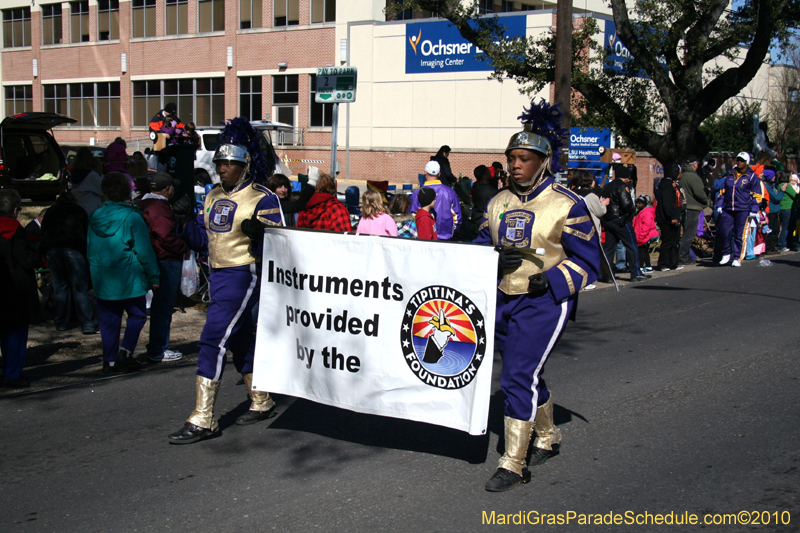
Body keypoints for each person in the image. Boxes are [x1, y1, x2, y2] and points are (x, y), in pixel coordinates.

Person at [475, 100, 601, 492]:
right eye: (512, 158)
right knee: (525, 371)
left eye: (525, 159)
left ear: (543, 162)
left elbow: (589, 263)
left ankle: (514, 463)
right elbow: (478, 249)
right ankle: (547, 436)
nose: (516, 165)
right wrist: (492, 258)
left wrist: (553, 280)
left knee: (516, 374)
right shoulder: (497, 203)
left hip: (545, 302)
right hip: (502, 298)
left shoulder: (567, 204)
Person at [168, 117, 284, 445]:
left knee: (212, 338)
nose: (223, 168)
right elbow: (204, 240)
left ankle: (203, 418)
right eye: (220, 162)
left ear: (246, 165)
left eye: (231, 163)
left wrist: (262, 235)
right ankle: (261, 399)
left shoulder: (262, 197)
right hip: (217, 274)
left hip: (243, 274)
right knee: (240, 339)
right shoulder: (212, 195)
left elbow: (280, 244)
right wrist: (180, 220)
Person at [88, 172, 159, 374]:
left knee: (109, 322)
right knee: (137, 315)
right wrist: (154, 276)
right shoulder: (132, 217)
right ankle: (125, 352)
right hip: (129, 276)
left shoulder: (94, 217)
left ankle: (109, 361)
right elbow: (144, 251)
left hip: (103, 276)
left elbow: (89, 248)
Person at [139, 172, 190, 362]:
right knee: (163, 307)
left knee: (156, 307)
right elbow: (164, 235)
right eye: (172, 187)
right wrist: (183, 247)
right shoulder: (159, 207)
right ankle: (158, 349)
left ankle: (155, 347)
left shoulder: (142, 203)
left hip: (151, 258)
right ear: (167, 189)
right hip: (165, 259)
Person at [40, 192, 97, 334]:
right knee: (80, 288)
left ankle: (61, 322)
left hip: (54, 250)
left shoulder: (51, 211)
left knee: (60, 286)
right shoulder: (79, 211)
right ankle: (87, 323)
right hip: (75, 249)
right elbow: (87, 232)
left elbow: (44, 233)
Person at [0, 189, 41, 388]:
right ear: (15, 209)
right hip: (16, 287)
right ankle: (12, 374)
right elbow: (25, 258)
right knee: (15, 334)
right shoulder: (14, 229)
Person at [600, 165, 649, 281]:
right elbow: (627, 204)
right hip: (620, 220)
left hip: (608, 220)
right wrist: (631, 212)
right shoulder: (622, 186)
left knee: (609, 248)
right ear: (626, 177)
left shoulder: (607, 186)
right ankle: (635, 273)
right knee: (631, 245)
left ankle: (607, 274)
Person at [714, 152, 761, 266]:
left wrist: (754, 210)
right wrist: (720, 204)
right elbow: (723, 191)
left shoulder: (752, 176)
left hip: (743, 209)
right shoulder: (730, 174)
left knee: (740, 234)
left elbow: (757, 195)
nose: (739, 162)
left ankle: (737, 257)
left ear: (747, 162)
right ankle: (726, 253)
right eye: (738, 160)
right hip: (728, 208)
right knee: (724, 231)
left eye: (742, 160)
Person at [409, 161, 462, 241]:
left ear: (425, 172)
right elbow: (457, 217)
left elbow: (412, 216)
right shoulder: (450, 192)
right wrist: (451, 231)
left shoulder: (417, 193)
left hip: (424, 238)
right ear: (439, 174)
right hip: (446, 238)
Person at [678, 155, 708, 266]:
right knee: (689, 235)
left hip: (683, 207)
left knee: (684, 233)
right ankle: (683, 257)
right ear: (694, 165)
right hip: (692, 208)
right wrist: (705, 202)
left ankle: (682, 255)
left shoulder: (681, 176)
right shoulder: (694, 177)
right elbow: (699, 193)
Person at [655, 164, 684, 271]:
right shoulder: (667, 185)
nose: (681, 175)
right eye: (680, 172)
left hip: (674, 217)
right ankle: (663, 263)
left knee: (674, 241)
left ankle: (673, 263)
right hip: (667, 219)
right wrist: (672, 216)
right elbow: (667, 203)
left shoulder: (673, 184)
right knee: (667, 242)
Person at [70, 147, 104, 216]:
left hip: (79, 210)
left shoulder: (74, 174)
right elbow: (103, 190)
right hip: (91, 212)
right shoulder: (91, 175)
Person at [633, 195, 658, 273]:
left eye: (641, 203)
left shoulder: (646, 213)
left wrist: (642, 236)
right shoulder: (640, 212)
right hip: (642, 235)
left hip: (645, 235)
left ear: (645, 204)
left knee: (641, 251)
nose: (638, 205)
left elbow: (646, 226)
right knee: (645, 251)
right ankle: (648, 266)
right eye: (637, 203)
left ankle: (640, 266)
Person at [763, 170, 783, 255]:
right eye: (773, 176)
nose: (774, 177)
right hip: (770, 211)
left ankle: (773, 247)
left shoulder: (772, 186)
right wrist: (782, 191)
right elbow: (776, 198)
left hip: (775, 211)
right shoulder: (767, 186)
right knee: (770, 230)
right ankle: (769, 248)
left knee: (776, 229)